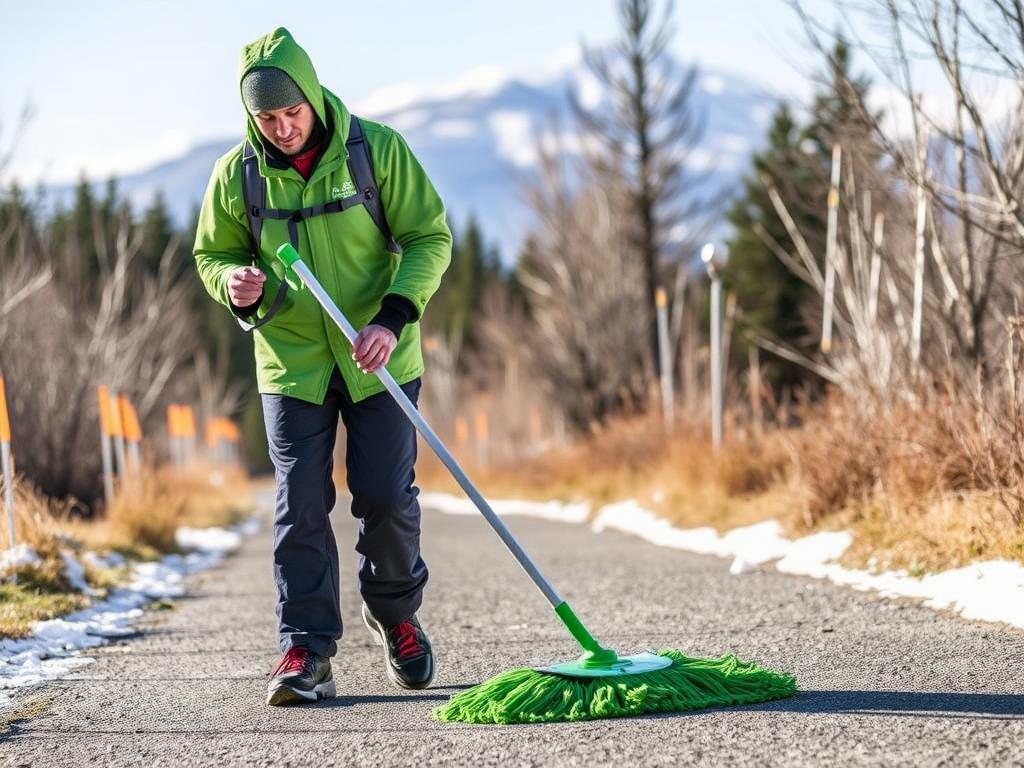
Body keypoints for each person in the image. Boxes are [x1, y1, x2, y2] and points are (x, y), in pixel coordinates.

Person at [192, 27, 452, 706]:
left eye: (291, 112)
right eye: (267, 118)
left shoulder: (377, 150)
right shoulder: (237, 174)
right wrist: (233, 285)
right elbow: (211, 254)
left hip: (378, 352)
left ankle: (397, 618)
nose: (281, 128)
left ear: (311, 95)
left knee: (386, 496)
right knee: (300, 500)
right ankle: (306, 647)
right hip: (292, 361)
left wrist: (393, 317)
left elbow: (430, 235)